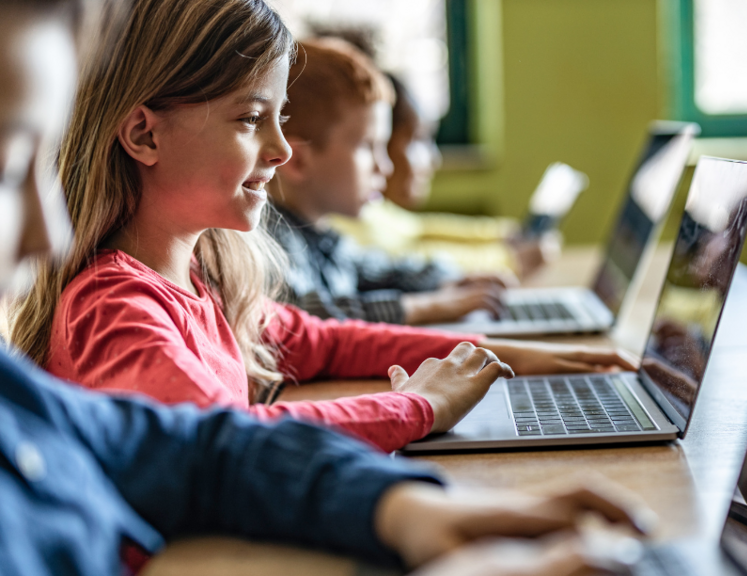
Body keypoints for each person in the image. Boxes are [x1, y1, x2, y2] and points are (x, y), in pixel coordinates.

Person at [0, 2, 653, 574]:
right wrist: (415, 406)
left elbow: (315, 341)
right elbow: (228, 434)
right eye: (251, 118)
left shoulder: (204, 274)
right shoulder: (116, 306)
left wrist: (485, 351)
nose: (283, 150)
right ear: (144, 133)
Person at [268, 37, 518, 326]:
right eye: (367, 147)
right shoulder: (269, 245)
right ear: (297, 161)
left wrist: (449, 281)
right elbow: (306, 316)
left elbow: (377, 270)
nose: (384, 167)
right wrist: (426, 307)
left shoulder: (321, 236)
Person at [328, 71, 561, 278]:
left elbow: (419, 231)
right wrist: (508, 260)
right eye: (418, 140)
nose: (434, 159)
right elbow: (406, 263)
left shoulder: (374, 210)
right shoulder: (341, 218)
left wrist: (506, 236)